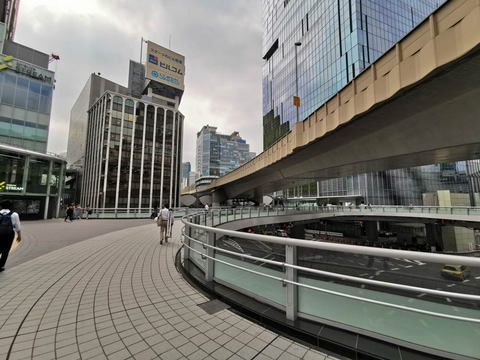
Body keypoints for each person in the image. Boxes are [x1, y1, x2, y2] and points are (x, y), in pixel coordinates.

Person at [0, 200, 22, 272]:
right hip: (9, 234)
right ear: (10, 206)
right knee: (6, 250)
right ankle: (1, 266)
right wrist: (19, 236)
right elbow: (17, 226)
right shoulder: (14, 214)